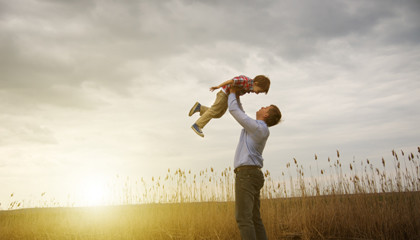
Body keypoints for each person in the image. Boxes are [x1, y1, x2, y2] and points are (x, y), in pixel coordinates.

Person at [228, 86, 281, 240]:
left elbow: (235, 112)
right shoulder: (257, 128)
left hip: (246, 175)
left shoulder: (258, 128)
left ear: (266, 114)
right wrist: (237, 97)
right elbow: (242, 114)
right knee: (254, 219)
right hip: (252, 174)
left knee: (244, 219)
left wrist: (232, 92)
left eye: (266, 107)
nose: (262, 107)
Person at [188, 75, 270, 137]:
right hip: (223, 94)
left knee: (218, 114)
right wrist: (218, 86)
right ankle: (197, 125)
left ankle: (200, 108)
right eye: (259, 91)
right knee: (214, 110)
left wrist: (239, 108)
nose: (257, 93)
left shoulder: (249, 88)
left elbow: (237, 95)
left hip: (228, 96)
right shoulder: (245, 81)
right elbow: (231, 81)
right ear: (256, 83)